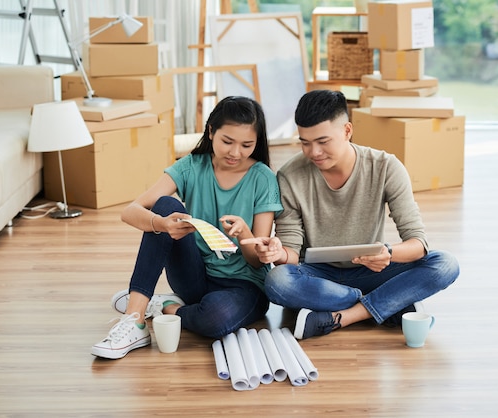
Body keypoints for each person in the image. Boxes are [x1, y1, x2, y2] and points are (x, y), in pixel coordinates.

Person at [242, 90, 459, 340]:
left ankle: (346, 316)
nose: (314, 152)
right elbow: (290, 254)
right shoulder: (290, 176)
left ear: (347, 131)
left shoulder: (386, 167)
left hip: (372, 270)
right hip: (319, 277)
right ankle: (388, 303)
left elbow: (418, 244)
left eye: (323, 141)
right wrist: (277, 253)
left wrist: (388, 253)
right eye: (305, 142)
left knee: (445, 264)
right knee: (278, 281)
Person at [91, 96, 283, 359]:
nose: (235, 153)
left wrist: (246, 235)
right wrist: (162, 224)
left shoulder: (263, 179)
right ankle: (134, 319)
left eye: (247, 145)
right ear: (211, 131)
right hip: (195, 276)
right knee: (166, 205)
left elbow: (258, 262)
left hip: (243, 285)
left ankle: (166, 307)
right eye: (227, 141)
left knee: (216, 320)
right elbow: (130, 211)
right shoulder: (192, 167)